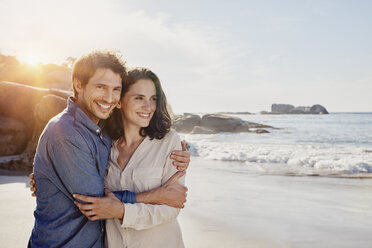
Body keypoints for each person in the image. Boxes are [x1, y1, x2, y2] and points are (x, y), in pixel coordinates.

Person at [28, 51, 189, 248]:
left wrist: (47, 178)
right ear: (79, 85)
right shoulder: (69, 132)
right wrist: (155, 195)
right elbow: (94, 202)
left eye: (115, 89)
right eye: (101, 87)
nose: (109, 97)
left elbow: (171, 206)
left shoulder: (106, 136)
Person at [73, 68, 186, 247]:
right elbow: (83, 189)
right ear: (119, 102)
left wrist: (122, 211)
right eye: (139, 98)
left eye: (153, 99)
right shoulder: (103, 145)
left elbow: (171, 208)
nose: (148, 107)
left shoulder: (169, 143)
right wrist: (47, 178)